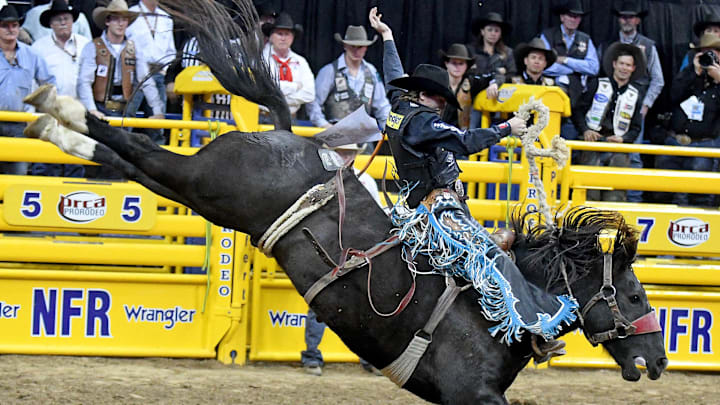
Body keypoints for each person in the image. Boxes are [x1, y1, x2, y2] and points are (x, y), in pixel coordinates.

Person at [369, 7, 575, 362]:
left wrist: (387, 37)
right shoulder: (422, 124)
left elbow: (392, 74)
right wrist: (506, 128)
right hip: (435, 209)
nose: (440, 102)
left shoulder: (401, 105)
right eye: (436, 96)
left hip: (421, 204)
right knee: (490, 257)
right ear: (424, 96)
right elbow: (464, 140)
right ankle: (533, 329)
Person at [302, 143, 384, 377]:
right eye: (341, 151)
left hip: (354, 250)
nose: (345, 156)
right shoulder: (319, 180)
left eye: (349, 152)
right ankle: (312, 355)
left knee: (362, 304)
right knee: (322, 303)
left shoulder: (364, 180)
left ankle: (365, 358)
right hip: (327, 248)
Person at [599, 1, 664, 203]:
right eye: (623, 17)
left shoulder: (649, 45)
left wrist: (645, 106)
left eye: (631, 17)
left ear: (637, 20)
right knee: (601, 150)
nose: (627, 20)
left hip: (633, 108)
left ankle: (633, 200)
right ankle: (600, 199)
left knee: (633, 155)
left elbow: (658, 80)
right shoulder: (607, 44)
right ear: (619, 19)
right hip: (606, 108)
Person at [571, 42, 645, 202]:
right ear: (614, 64)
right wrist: (585, 130)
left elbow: (636, 127)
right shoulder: (598, 84)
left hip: (617, 147)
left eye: (628, 65)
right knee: (589, 193)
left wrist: (623, 139)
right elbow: (577, 110)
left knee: (615, 195)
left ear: (633, 69)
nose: (624, 68)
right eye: (621, 64)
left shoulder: (635, 94)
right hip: (592, 143)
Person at [655, 34, 720, 207]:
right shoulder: (689, 73)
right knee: (663, 192)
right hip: (675, 142)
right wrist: (695, 72)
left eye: (713, 53)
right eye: (704, 52)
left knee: (700, 196)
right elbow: (673, 95)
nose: (709, 57)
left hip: (704, 147)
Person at [77, 0, 164, 121]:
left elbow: (145, 80)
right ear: (107, 21)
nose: (121, 23)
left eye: (124, 19)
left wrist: (157, 110)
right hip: (100, 108)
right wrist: (92, 109)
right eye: (116, 19)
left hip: (126, 109)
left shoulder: (134, 48)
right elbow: (84, 81)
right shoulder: (93, 47)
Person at [30, 0, 89, 177]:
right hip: (48, 111)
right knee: (46, 160)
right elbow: (33, 82)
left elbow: (90, 80)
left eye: (66, 18)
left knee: (76, 161)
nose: (63, 22)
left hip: (77, 110)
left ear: (73, 21)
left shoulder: (85, 44)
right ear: (51, 24)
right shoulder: (39, 47)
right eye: (58, 19)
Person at [0, 4, 56, 175]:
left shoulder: (31, 55)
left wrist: (46, 107)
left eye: (14, 25)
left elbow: (49, 83)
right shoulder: (31, 54)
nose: (11, 29)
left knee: (17, 176)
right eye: (5, 25)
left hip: (19, 122)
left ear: (19, 27)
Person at [307, 25, 390, 132]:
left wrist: (389, 128)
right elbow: (313, 102)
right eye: (352, 46)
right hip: (335, 132)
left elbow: (382, 106)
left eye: (360, 47)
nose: (356, 51)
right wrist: (324, 125)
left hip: (363, 134)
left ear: (366, 48)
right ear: (345, 46)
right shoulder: (330, 71)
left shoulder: (372, 72)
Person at [539, 0, 599, 140]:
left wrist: (566, 60)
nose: (574, 19)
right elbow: (544, 64)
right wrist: (574, 70)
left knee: (568, 139)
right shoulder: (547, 36)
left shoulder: (585, 39)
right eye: (570, 15)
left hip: (577, 100)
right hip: (550, 95)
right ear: (562, 17)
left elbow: (593, 68)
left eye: (577, 16)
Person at [125, 0, 176, 143]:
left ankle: (157, 162)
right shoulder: (131, 14)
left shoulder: (166, 18)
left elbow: (171, 50)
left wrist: (164, 71)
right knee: (127, 118)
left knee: (158, 125)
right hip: (135, 74)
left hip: (159, 73)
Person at [261, 12, 314, 122]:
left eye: (287, 34)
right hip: (264, 118)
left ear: (293, 38)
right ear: (271, 36)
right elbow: (264, 89)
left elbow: (309, 94)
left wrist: (278, 98)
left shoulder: (301, 61)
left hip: (291, 119)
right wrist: (295, 86)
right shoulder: (260, 60)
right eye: (280, 34)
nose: (283, 38)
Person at [439, 43, 490, 130]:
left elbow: (495, 76)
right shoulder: (437, 80)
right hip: (436, 131)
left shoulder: (472, 82)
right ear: (446, 63)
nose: (457, 67)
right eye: (454, 63)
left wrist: (494, 84)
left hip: (460, 135)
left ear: (466, 66)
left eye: (461, 63)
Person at [21, 0, 92, 42]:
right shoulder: (35, 12)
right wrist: (22, 33)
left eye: (66, 19)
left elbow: (88, 42)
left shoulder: (80, 17)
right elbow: (20, 31)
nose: (63, 22)